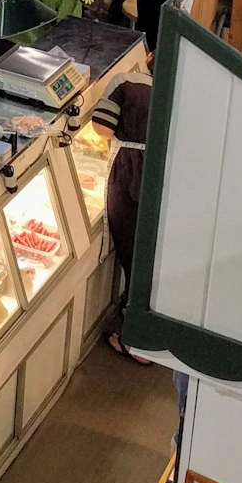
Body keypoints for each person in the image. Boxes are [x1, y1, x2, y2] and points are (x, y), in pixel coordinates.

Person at [92, 75, 155, 362]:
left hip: (130, 176)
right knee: (150, 259)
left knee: (135, 258)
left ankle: (137, 343)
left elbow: (101, 128)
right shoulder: (177, 83)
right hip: (157, 174)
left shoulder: (125, 83)